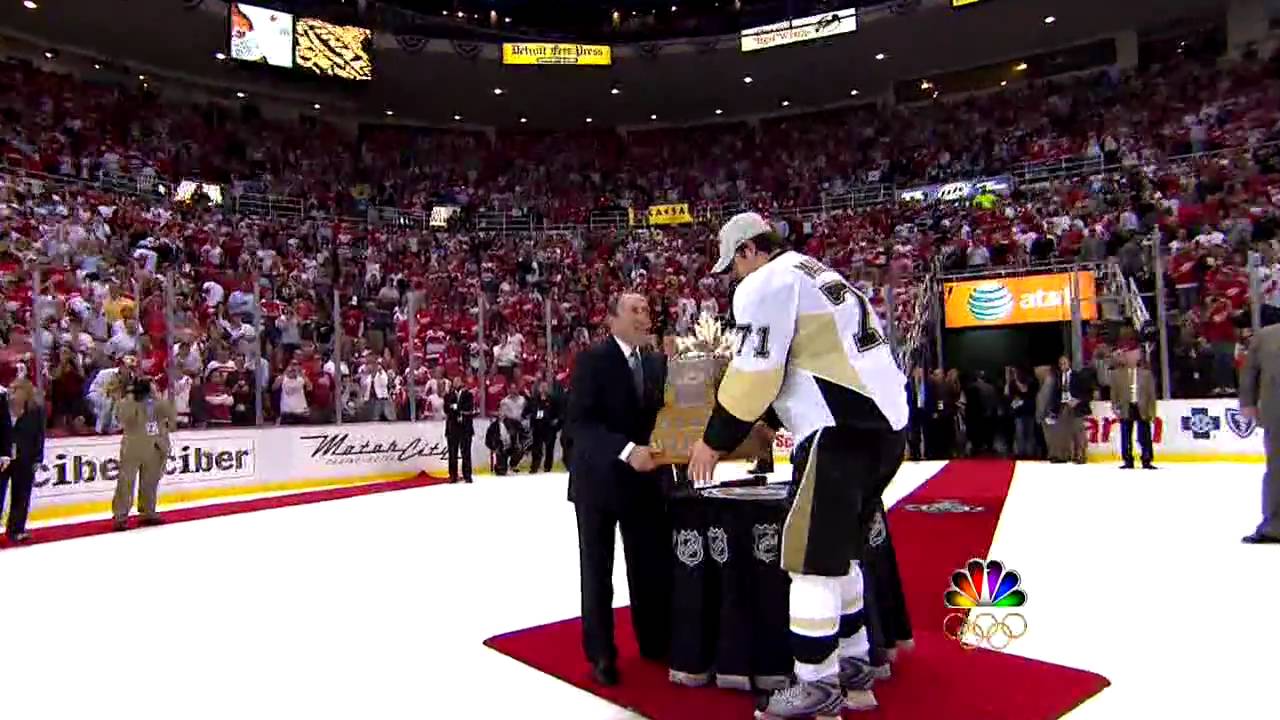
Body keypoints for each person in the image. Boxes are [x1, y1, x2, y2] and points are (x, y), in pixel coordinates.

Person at [688, 212, 910, 718]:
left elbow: (755, 371)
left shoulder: (767, 281)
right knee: (842, 556)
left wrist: (714, 439)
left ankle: (816, 686)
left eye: (734, 267)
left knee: (808, 565)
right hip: (885, 430)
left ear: (749, 251)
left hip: (836, 431)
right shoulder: (820, 273)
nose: (735, 279)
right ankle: (855, 672)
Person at [567, 292, 670, 687]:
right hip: (598, 483)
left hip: (644, 483)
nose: (645, 316)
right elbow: (580, 425)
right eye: (635, 310)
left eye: (647, 309)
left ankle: (654, 642)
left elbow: (667, 418)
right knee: (597, 571)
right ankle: (601, 654)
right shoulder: (593, 361)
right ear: (612, 320)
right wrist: (627, 452)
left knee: (648, 567)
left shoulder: (658, 361)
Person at [111, 376, 178, 531]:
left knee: (150, 482)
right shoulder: (129, 402)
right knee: (126, 482)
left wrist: (158, 397)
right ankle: (120, 516)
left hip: (156, 445)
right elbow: (122, 418)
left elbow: (172, 416)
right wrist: (131, 396)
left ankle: (148, 511)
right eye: (150, 385)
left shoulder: (159, 402)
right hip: (134, 447)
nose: (153, 387)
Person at [1238, 324, 1280, 543]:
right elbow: (1249, 372)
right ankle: (1274, 526)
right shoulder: (1266, 336)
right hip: (1276, 413)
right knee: (1277, 470)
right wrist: (1247, 402)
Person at [0, 379, 44, 545]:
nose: (11, 392)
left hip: (25, 458)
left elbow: (39, 436)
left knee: (21, 496)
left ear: (26, 392)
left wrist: (38, 457)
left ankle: (16, 530)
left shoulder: (35, 411)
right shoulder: (2, 406)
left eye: (16, 389)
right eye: (10, 389)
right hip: (2, 458)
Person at [1110, 350, 1158, 470]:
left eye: (1134, 356)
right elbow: (1114, 393)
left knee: (1145, 434)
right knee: (1126, 434)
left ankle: (1146, 459)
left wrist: (1152, 411)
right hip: (1126, 406)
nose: (1131, 358)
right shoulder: (1117, 374)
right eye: (1129, 356)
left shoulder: (1146, 374)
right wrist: (1115, 407)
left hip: (1142, 406)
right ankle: (1127, 459)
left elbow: (1151, 394)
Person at [443, 375, 476, 483]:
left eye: (458, 381)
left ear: (462, 382)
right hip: (452, 428)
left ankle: (467, 475)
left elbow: (469, 408)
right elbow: (447, 409)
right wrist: (456, 409)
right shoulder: (448, 395)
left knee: (466, 452)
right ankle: (453, 475)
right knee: (452, 453)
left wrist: (456, 408)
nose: (456, 383)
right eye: (454, 381)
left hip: (465, 428)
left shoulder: (468, 395)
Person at [526, 381, 561, 473]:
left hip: (549, 427)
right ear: (538, 388)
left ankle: (547, 467)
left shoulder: (553, 400)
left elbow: (559, 413)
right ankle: (535, 467)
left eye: (545, 387)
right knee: (536, 448)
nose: (543, 389)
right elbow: (528, 411)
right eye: (542, 386)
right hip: (537, 426)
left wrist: (556, 420)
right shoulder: (534, 400)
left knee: (549, 447)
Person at [905, 365, 931, 461]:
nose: (918, 374)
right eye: (917, 372)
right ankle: (914, 453)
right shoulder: (908, 384)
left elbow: (927, 397)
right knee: (912, 433)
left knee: (922, 432)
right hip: (912, 410)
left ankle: (922, 453)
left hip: (922, 411)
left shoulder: (924, 384)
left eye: (920, 372)